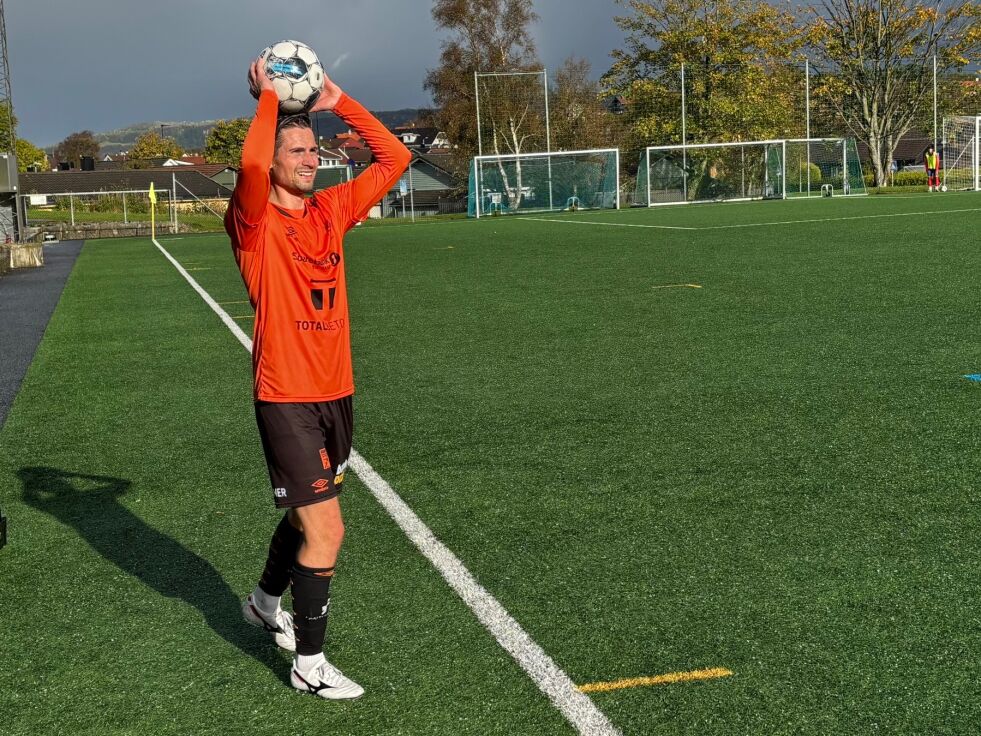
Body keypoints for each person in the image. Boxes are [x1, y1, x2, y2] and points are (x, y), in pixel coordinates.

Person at [225, 55, 410, 700]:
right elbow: (250, 167)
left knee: (309, 513)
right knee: (328, 528)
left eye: (313, 150)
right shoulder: (253, 222)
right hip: (287, 395)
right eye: (297, 151)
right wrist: (270, 101)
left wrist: (335, 96)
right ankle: (309, 665)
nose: (310, 160)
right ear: (274, 159)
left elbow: (394, 160)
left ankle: (261, 603)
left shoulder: (330, 211)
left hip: (338, 392)